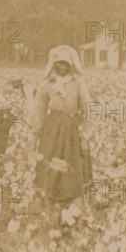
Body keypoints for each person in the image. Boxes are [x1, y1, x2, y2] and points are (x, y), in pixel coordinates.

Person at [31, 46, 92, 215]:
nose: (63, 68)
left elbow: (87, 107)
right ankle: (50, 199)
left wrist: (85, 134)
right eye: (59, 64)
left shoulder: (78, 83)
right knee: (49, 162)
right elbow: (39, 111)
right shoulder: (46, 85)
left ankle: (73, 199)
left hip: (71, 130)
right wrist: (35, 136)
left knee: (73, 163)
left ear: (71, 66)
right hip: (51, 131)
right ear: (53, 65)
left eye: (66, 65)